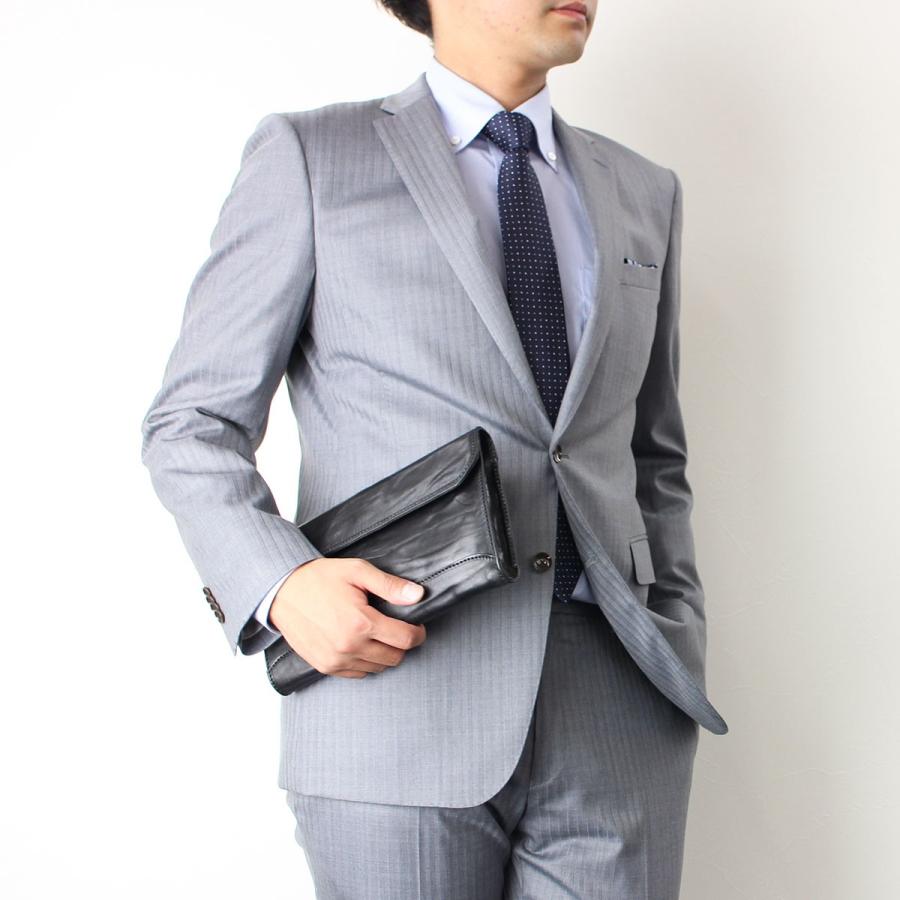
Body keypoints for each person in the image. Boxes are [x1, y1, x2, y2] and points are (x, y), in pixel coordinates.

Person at [140, 0, 729, 896]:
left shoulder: (644, 190)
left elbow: (654, 453)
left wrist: (675, 628)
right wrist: (281, 585)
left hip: (618, 703)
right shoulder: (314, 158)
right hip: (397, 686)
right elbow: (192, 421)